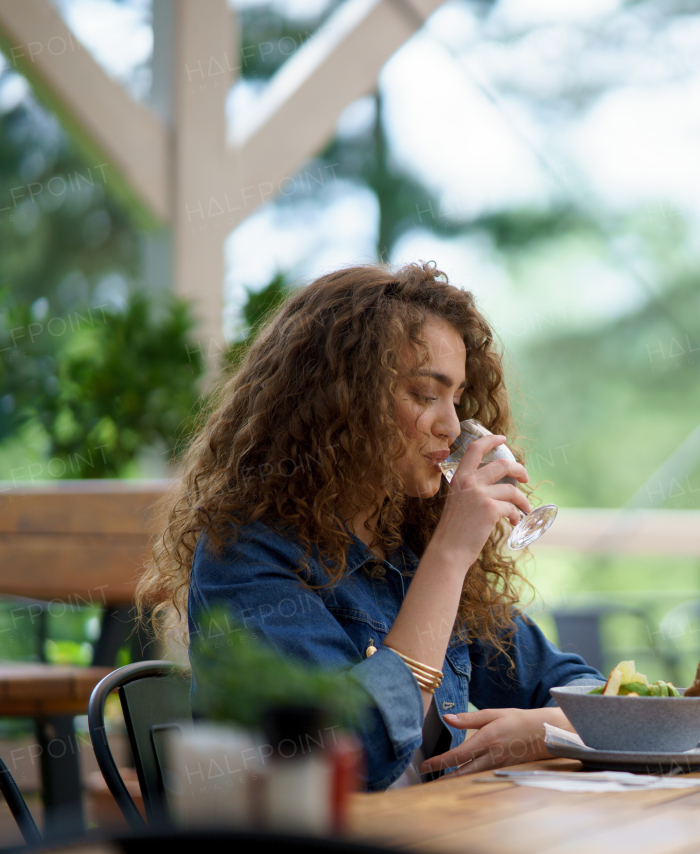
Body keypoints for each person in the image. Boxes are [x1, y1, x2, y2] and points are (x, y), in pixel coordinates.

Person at [136, 262, 603, 790]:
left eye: (457, 398)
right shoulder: (247, 557)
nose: (452, 426)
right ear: (342, 400)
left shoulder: (408, 548)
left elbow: (583, 689)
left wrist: (543, 729)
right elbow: (346, 757)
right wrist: (451, 554)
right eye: (426, 395)